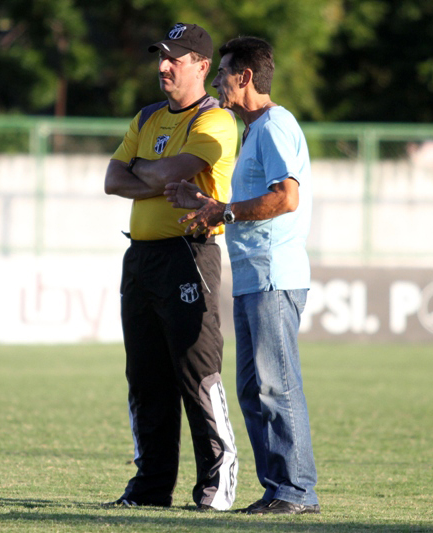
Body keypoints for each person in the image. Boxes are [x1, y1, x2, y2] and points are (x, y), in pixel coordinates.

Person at [164, 36, 320, 515]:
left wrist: (224, 212)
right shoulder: (254, 130)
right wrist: (206, 205)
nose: (216, 83)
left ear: (245, 77)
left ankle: (296, 492)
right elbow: (237, 204)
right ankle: (278, 489)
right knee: (254, 390)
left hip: (274, 276)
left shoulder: (274, 125)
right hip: (254, 278)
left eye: (222, 73)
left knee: (276, 385)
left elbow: (285, 197)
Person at [103, 23, 239, 511]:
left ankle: (216, 483)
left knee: (197, 372)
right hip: (140, 257)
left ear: (202, 66)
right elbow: (110, 179)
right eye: (160, 56)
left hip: (189, 254)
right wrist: (151, 175)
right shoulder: (147, 116)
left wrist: (144, 172)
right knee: (144, 377)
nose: (162, 66)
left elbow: (159, 173)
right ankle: (150, 487)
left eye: (174, 59)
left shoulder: (216, 120)